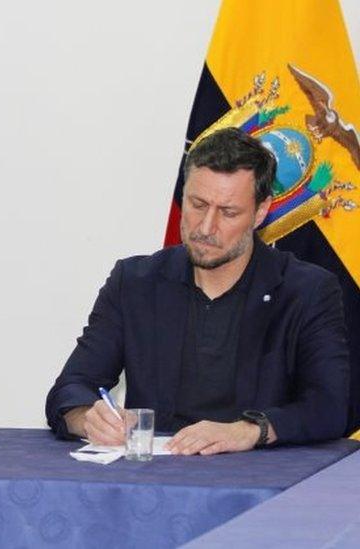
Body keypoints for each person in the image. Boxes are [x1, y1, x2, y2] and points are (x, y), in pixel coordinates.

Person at [45, 127, 349, 455]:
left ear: (261, 212)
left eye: (228, 212)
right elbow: (70, 389)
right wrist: (88, 418)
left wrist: (250, 430)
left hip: (261, 487)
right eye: (197, 205)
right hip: (153, 486)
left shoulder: (306, 290)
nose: (205, 228)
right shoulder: (134, 282)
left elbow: (329, 407)